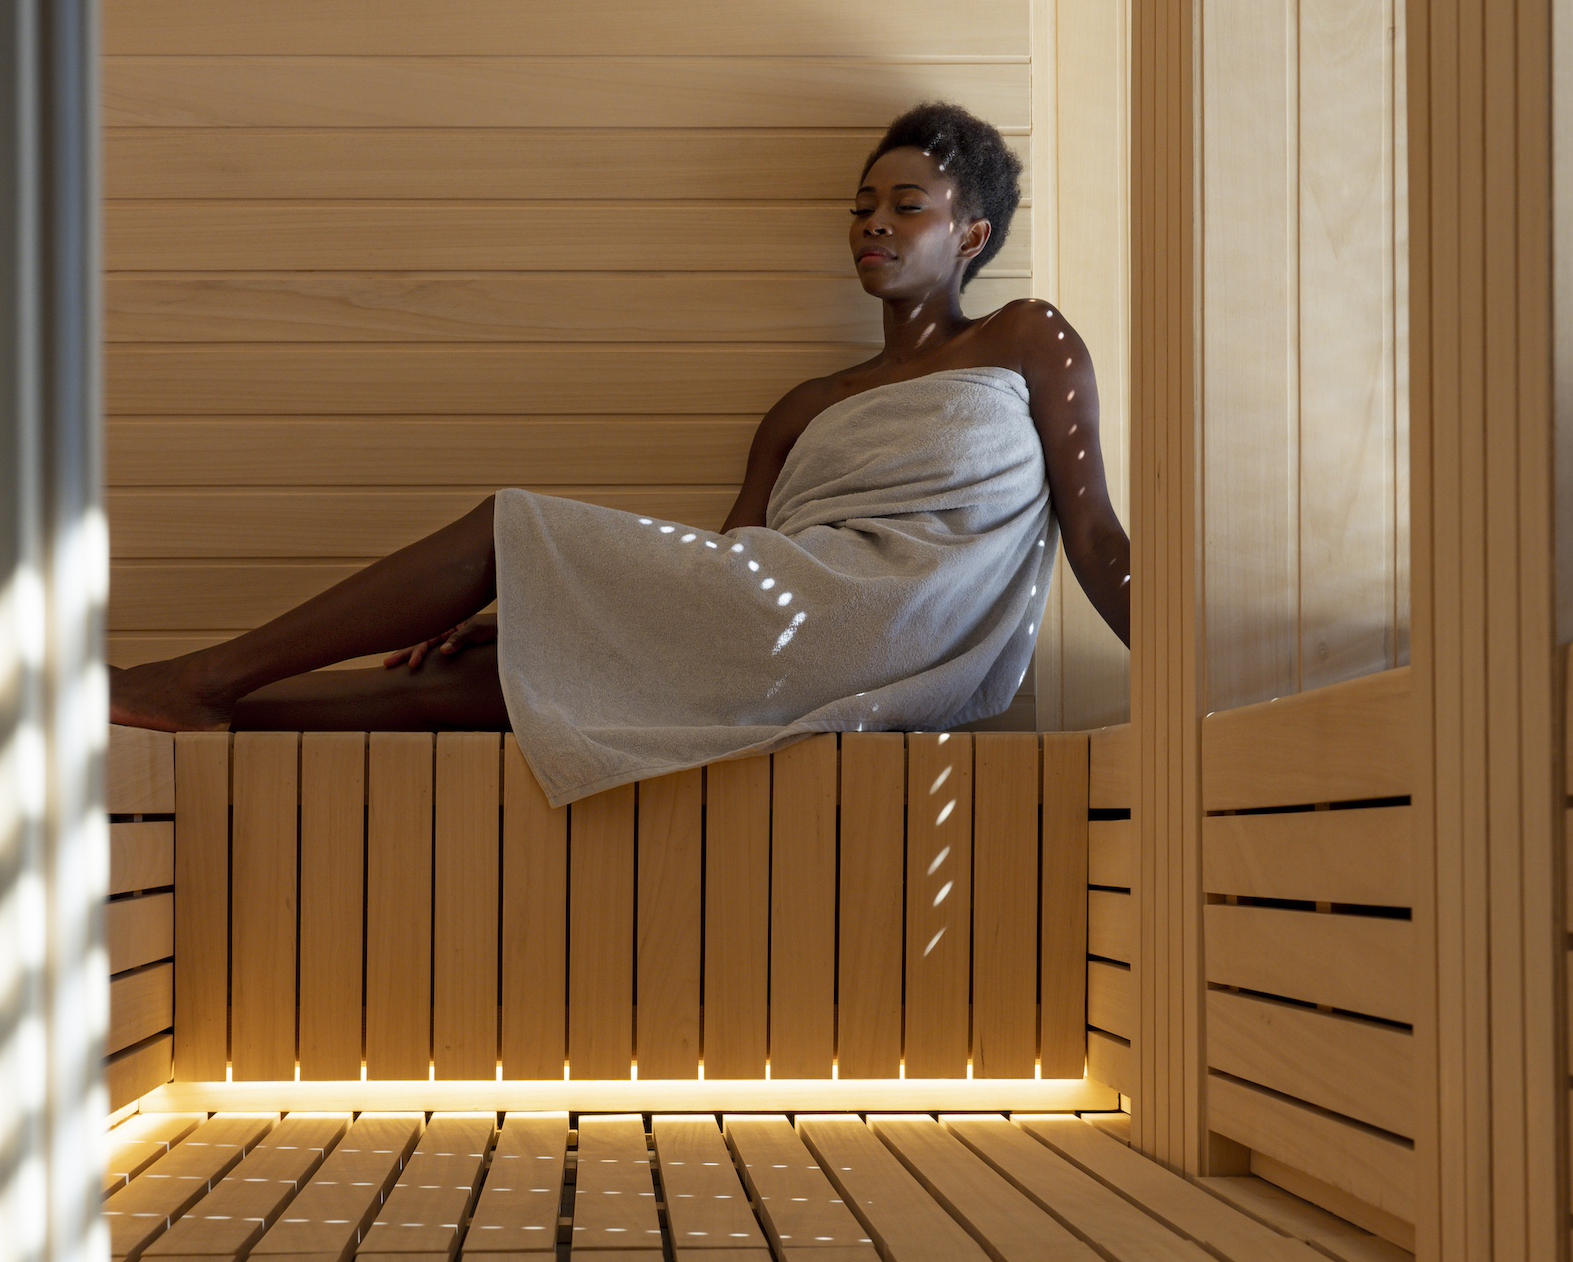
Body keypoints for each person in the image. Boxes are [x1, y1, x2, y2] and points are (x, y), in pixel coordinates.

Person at [109, 101, 1133, 809]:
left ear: (971, 234)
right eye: (862, 207)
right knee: (489, 688)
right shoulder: (807, 406)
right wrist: (539, 621)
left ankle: (197, 676)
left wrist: (1178, 672)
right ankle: (183, 722)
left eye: (906, 205)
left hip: (898, 627)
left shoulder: (1023, 338)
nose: (873, 224)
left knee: (508, 526)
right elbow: (724, 568)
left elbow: (1091, 530)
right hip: (786, 622)